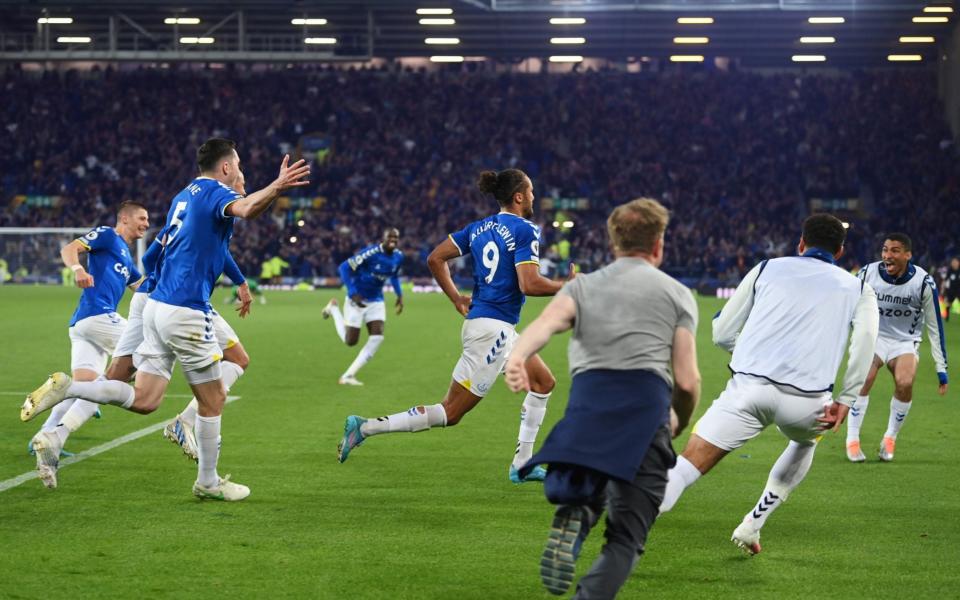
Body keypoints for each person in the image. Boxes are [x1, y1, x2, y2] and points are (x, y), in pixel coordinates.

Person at [22, 138, 310, 501]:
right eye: (238, 165)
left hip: (156, 304)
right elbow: (249, 208)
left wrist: (180, 285)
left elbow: (156, 254)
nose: (240, 172)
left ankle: (70, 389)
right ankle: (206, 479)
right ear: (225, 168)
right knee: (213, 398)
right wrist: (279, 185)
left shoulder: (184, 196)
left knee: (145, 399)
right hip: (185, 310)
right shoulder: (214, 193)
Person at [504, 198, 701, 598]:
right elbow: (687, 380)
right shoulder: (677, 294)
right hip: (645, 408)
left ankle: (578, 509)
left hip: (589, 405)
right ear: (659, 244)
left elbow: (545, 325)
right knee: (625, 538)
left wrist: (518, 357)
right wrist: (677, 420)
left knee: (588, 474)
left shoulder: (583, 285)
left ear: (613, 243)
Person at [658, 214, 879, 556]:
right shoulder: (858, 288)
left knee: (685, 468)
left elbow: (721, 333)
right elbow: (865, 340)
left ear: (801, 244)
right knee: (806, 442)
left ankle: (631, 515)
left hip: (748, 390)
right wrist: (847, 399)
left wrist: (753, 352)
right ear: (839, 251)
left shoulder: (766, 268)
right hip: (808, 401)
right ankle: (753, 524)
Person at [337, 169, 570, 484]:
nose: (533, 197)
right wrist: (566, 286)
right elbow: (528, 283)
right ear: (518, 196)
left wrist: (456, 299)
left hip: (493, 327)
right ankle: (365, 427)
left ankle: (523, 464)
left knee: (543, 382)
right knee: (450, 412)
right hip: (493, 332)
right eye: (530, 192)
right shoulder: (526, 229)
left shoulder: (477, 228)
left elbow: (435, 258)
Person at [28, 202, 149, 475]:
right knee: (143, 357)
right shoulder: (108, 235)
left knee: (85, 386)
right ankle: (68, 409)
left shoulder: (127, 259)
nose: (146, 223)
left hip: (83, 325)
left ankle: (44, 436)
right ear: (125, 219)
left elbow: (144, 288)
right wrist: (78, 269)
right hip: (98, 317)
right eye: (142, 218)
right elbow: (69, 249)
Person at [845, 234, 948, 462]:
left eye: (894, 251)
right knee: (865, 377)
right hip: (874, 336)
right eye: (885, 250)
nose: (887, 256)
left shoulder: (923, 282)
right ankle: (852, 440)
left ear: (908, 255)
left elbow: (935, 327)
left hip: (905, 341)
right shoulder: (867, 273)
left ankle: (889, 438)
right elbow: (848, 306)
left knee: (905, 382)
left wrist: (941, 368)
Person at [321, 228, 404, 386]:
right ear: (383, 238)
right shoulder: (370, 253)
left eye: (396, 237)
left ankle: (348, 375)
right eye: (390, 236)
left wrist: (399, 295)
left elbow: (394, 276)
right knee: (351, 341)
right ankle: (333, 309)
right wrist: (352, 292)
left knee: (378, 337)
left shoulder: (399, 257)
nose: (393, 239)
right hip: (357, 298)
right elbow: (344, 268)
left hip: (376, 301)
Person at [944, 257, 959, 322]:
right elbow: (945, 280)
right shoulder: (949, 271)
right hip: (951, 290)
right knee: (948, 303)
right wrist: (944, 290)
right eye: (953, 262)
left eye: (955, 262)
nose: (954, 263)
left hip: (959, 290)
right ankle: (947, 316)